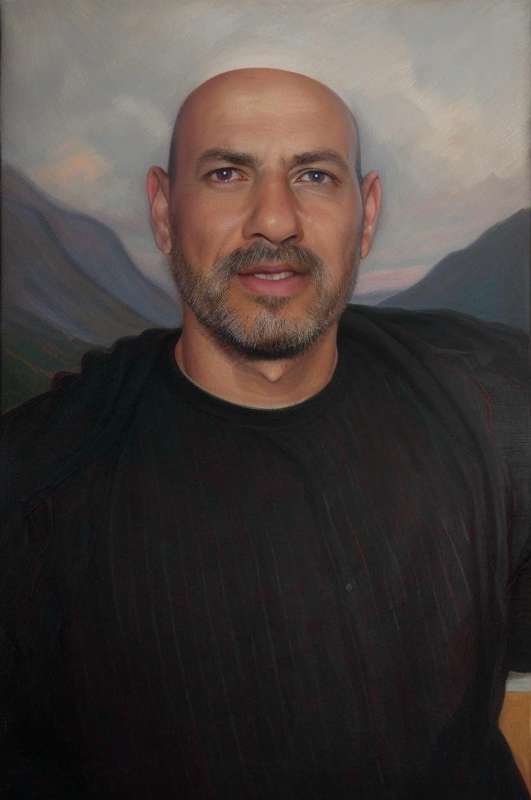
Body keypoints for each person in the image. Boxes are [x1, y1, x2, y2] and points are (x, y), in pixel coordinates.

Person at [1, 67, 529, 799]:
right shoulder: (35, 479)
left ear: (366, 215)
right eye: (226, 174)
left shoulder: (492, 403)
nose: (275, 221)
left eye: (314, 176)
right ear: (163, 211)